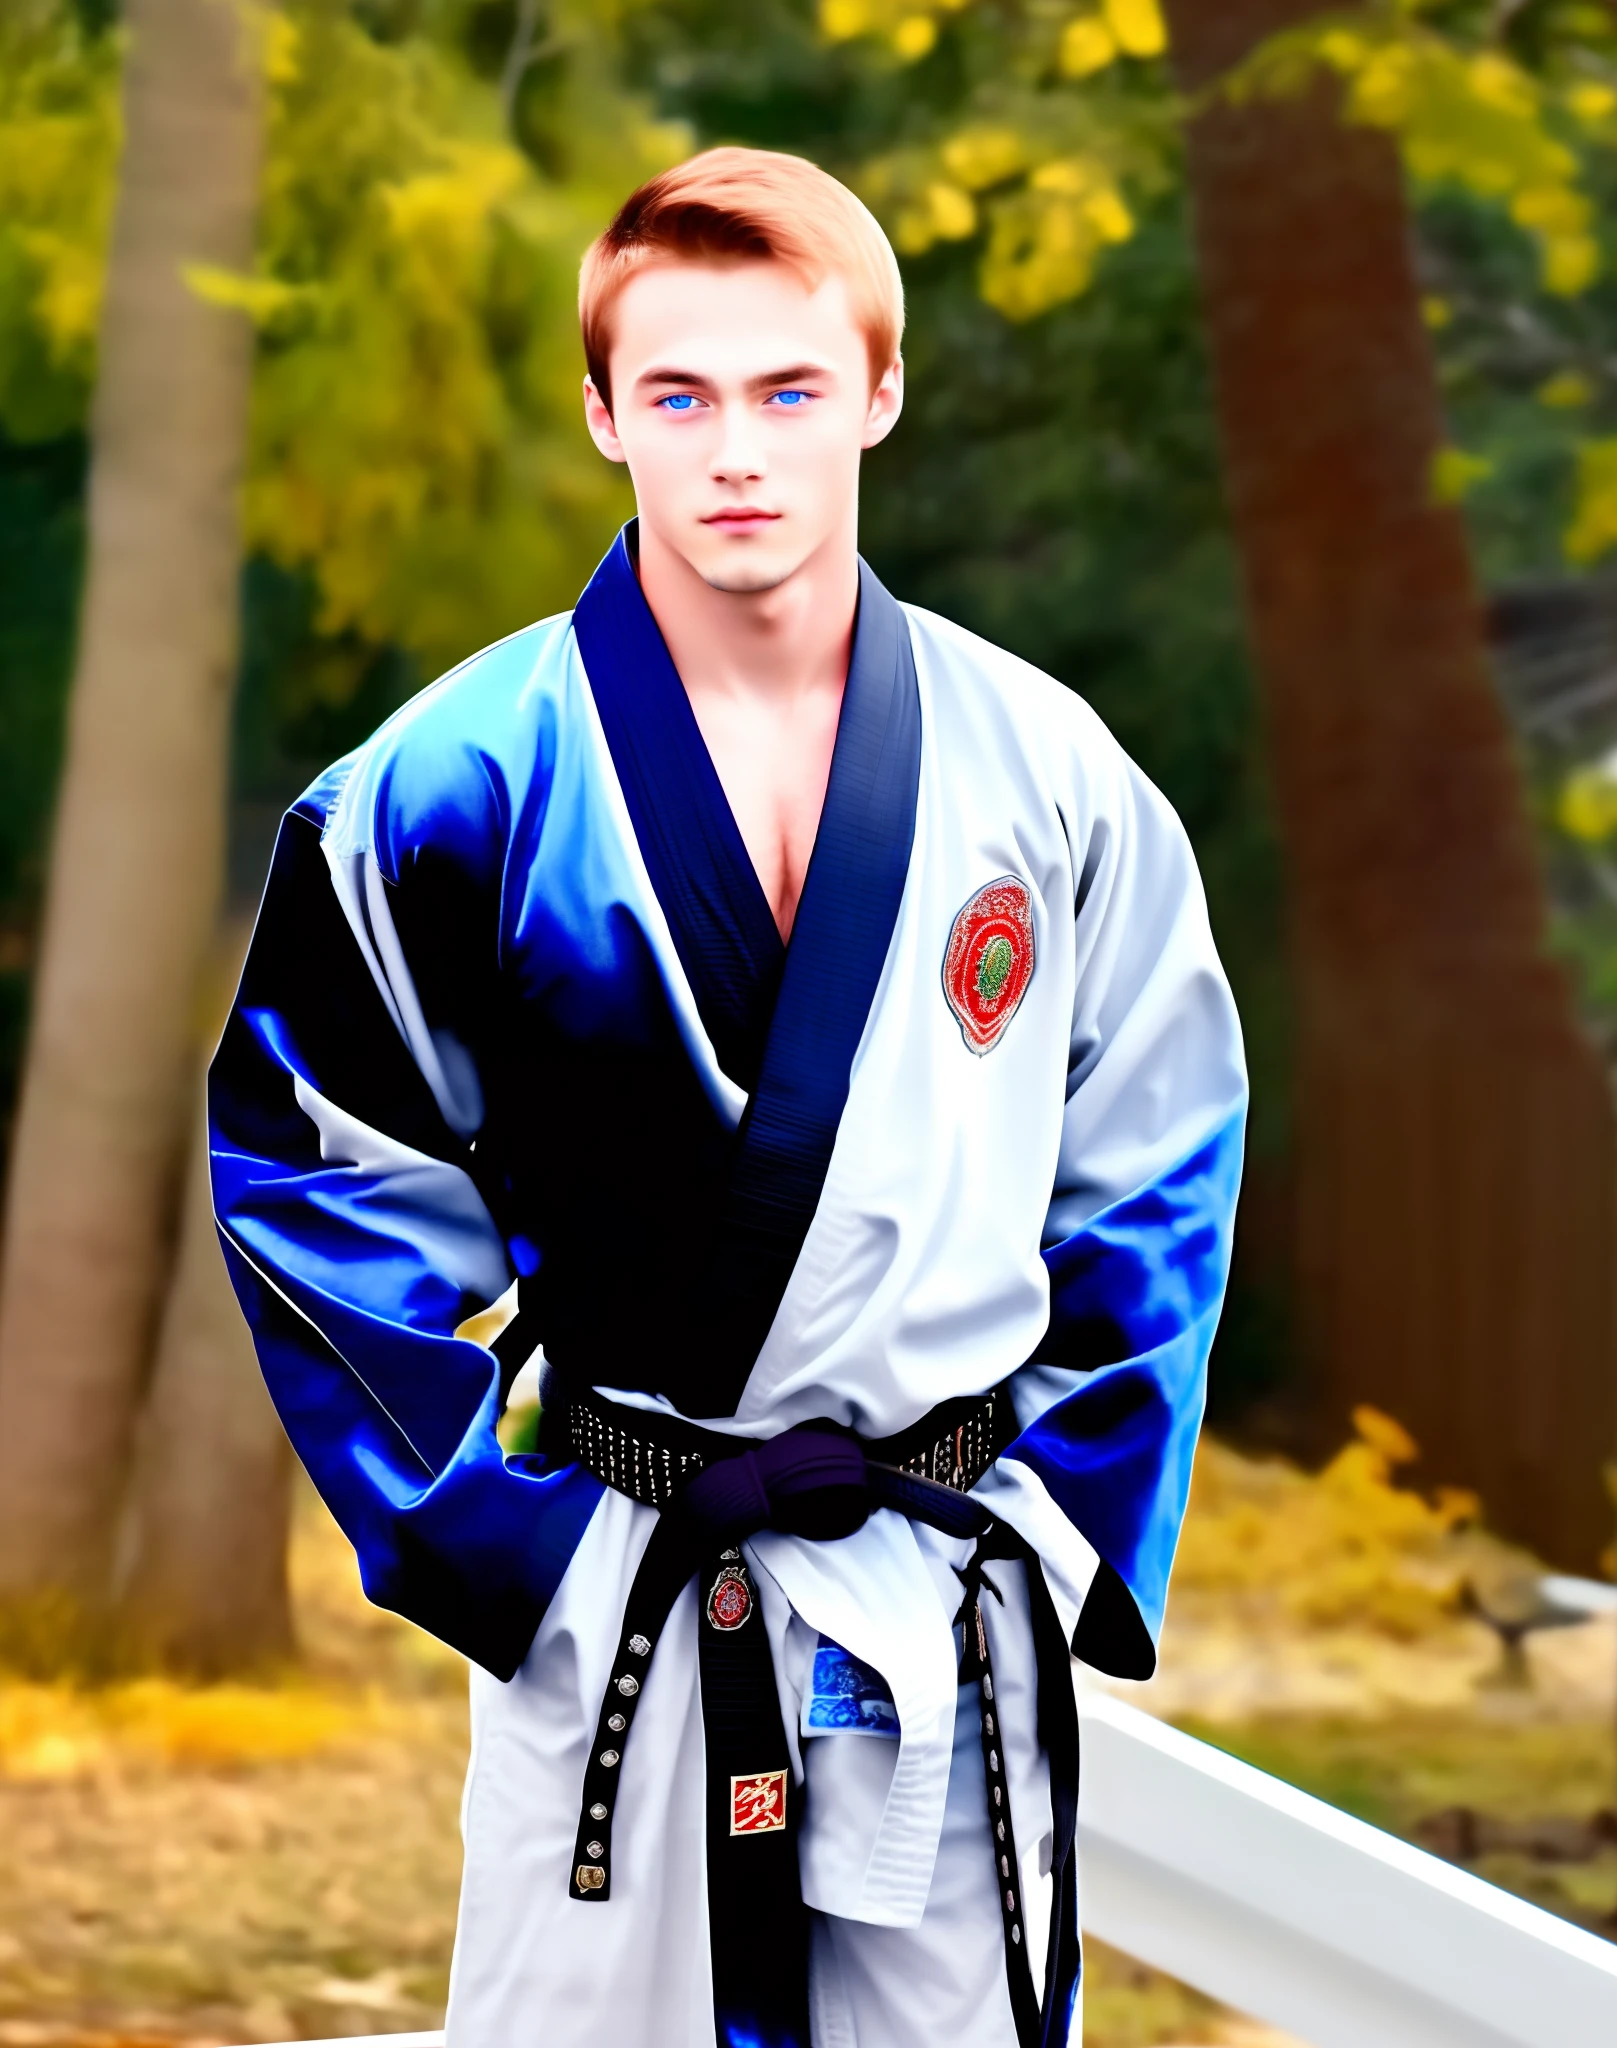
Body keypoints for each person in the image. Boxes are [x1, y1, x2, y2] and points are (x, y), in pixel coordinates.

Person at [209, 146, 1247, 2048]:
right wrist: (484, 1530)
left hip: (935, 1577)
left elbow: (1158, 1146)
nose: (737, 452)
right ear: (604, 414)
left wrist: (1067, 1515)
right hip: (624, 1580)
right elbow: (307, 1163)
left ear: (879, 394)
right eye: (678, 395)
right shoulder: (451, 782)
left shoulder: (1052, 773)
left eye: (787, 389)